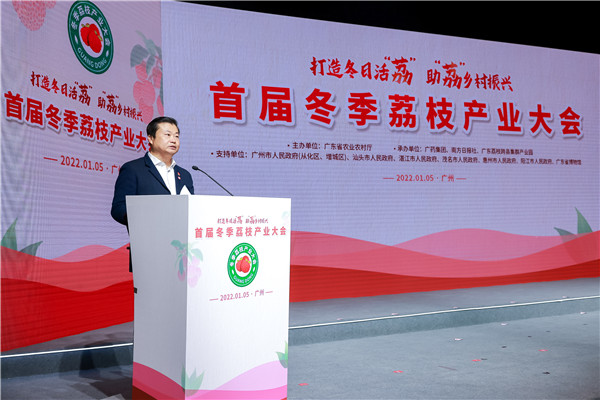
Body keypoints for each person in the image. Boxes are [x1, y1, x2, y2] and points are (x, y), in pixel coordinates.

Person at [111, 116, 195, 270]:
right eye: (167, 135)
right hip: (148, 252)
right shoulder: (133, 169)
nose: (173, 140)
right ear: (150, 138)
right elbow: (118, 208)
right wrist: (146, 216)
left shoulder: (185, 175)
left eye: (176, 136)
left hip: (183, 254)